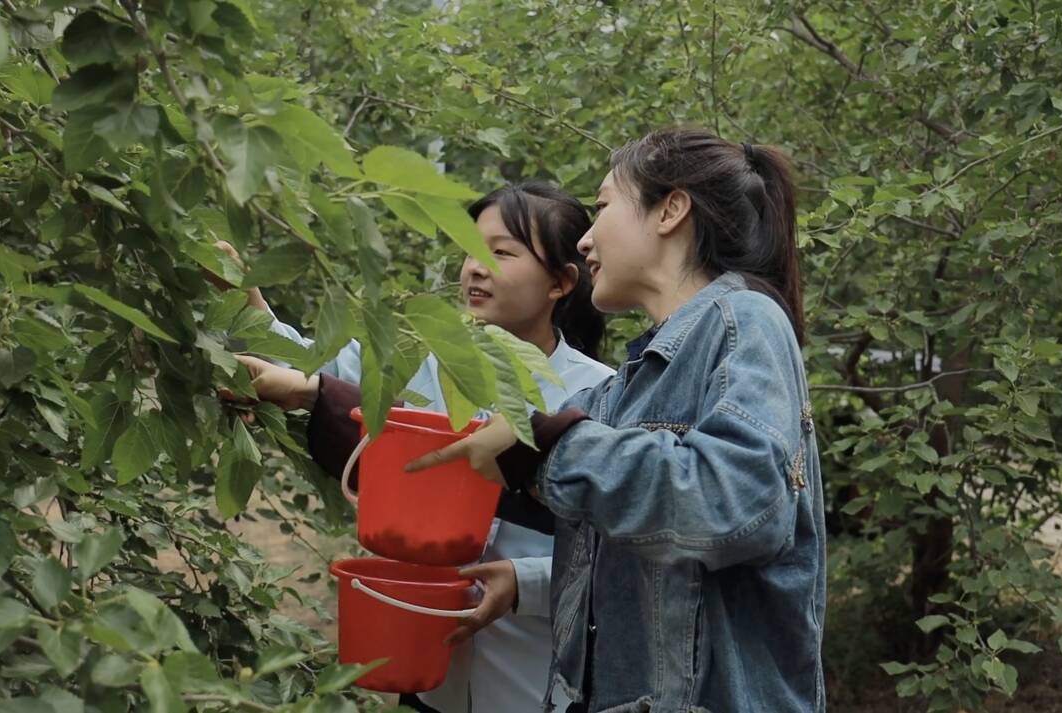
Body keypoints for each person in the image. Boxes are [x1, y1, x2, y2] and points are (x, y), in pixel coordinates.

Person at [406, 129, 827, 712]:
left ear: (670, 210)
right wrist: (315, 395)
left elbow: (739, 502)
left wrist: (551, 447)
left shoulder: (744, 319)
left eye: (602, 207)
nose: (583, 239)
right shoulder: (632, 381)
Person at [227, 181, 614, 713]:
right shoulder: (424, 364)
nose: (475, 268)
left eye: (500, 253)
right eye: (470, 251)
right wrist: (246, 302)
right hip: (434, 683)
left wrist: (526, 583)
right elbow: (311, 372)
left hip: (536, 685)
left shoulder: (603, 395)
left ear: (560, 282)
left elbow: (622, 557)